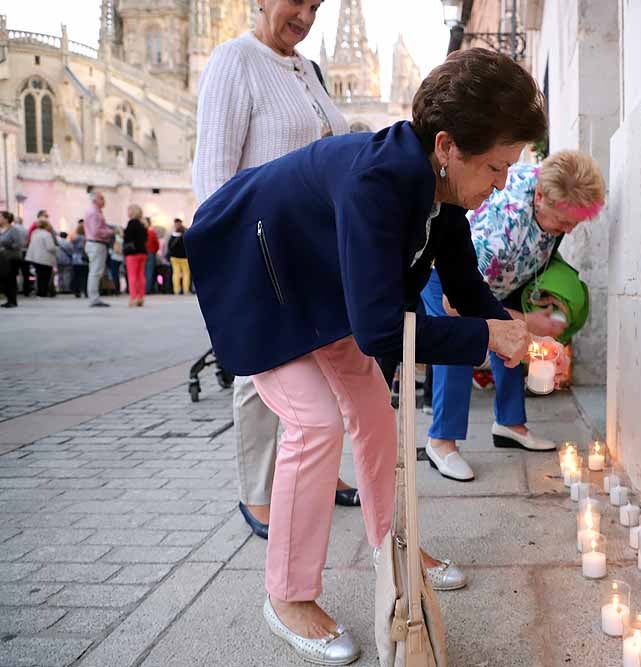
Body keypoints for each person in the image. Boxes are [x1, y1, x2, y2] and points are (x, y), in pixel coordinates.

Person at [186, 47, 545, 665]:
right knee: (315, 421)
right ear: (447, 145)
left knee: (375, 412)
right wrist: (487, 339)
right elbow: (382, 332)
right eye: (496, 166)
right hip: (258, 279)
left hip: (320, 286)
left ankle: (394, 544)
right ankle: (288, 596)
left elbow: (464, 288)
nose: (502, 184)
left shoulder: (444, 189)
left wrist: (513, 326)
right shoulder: (377, 181)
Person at [192, 0, 355, 545]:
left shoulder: (308, 69)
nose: (306, 16)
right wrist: (235, 261)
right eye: (298, 1)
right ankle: (257, 489)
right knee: (260, 371)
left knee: (322, 363)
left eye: (316, 5)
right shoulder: (234, 60)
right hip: (260, 246)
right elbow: (214, 176)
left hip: (317, 247)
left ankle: (320, 469)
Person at [420, 150, 605, 481]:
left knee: (513, 343)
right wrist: (526, 320)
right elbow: (458, 303)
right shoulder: (504, 229)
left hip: (500, 278)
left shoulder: (551, 187)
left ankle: (509, 424)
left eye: (575, 223)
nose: (569, 230)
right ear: (540, 196)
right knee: (460, 344)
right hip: (449, 283)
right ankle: (441, 441)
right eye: (565, 222)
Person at [84, 191, 114, 307]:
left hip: (96, 244)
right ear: (95, 200)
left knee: (95, 271)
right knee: (95, 272)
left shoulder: (96, 212)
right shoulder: (94, 213)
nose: (104, 201)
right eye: (101, 198)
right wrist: (111, 232)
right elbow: (96, 231)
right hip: (96, 244)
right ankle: (94, 298)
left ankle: (94, 297)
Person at [25, 219, 57, 298]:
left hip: (35, 258)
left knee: (39, 276)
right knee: (45, 277)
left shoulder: (34, 233)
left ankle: (39, 292)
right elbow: (50, 247)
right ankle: (43, 293)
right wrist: (56, 248)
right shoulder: (46, 234)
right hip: (45, 259)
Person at [123, 205, 148, 307]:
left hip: (132, 253)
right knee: (141, 276)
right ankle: (141, 298)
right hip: (143, 253)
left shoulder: (131, 223)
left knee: (132, 276)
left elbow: (127, 237)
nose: (127, 213)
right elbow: (145, 239)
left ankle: (133, 298)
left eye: (128, 211)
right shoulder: (143, 224)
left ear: (132, 212)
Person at [0, 211, 23, 308]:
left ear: (6, 219)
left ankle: (13, 300)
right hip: (2, 258)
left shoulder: (14, 230)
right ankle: (8, 299)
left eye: (0, 217)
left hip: (12, 258)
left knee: (11, 279)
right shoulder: (1, 230)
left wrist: (7, 245)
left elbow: (18, 244)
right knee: (4, 279)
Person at [167, 218, 190, 295]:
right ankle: (185, 290)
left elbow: (169, 246)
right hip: (184, 257)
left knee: (176, 274)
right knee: (186, 273)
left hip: (174, 257)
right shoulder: (186, 233)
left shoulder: (172, 234)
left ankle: (176, 290)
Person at [70, 221, 89, 298]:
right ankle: (85, 291)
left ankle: (77, 292)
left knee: (76, 276)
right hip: (84, 259)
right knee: (85, 276)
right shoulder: (86, 238)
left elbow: (71, 248)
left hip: (75, 259)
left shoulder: (75, 238)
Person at [145, 216, 159, 294]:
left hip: (142, 252)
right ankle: (148, 289)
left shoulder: (141, 232)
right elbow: (156, 244)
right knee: (149, 272)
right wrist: (154, 251)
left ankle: (143, 289)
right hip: (151, 253)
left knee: (142, 272)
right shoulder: (151, 232)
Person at [108, 229, 124, 295]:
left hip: (114, 257)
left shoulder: (113, 238)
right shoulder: (122, 238)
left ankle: (116, 289)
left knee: (114, 275)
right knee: (118, 274)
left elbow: (110, 250)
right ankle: (118, 289)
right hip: (121, 258)